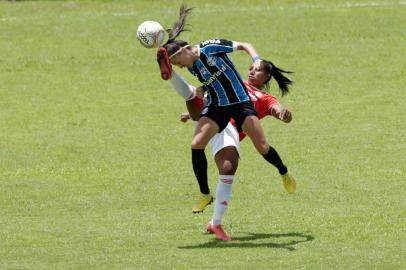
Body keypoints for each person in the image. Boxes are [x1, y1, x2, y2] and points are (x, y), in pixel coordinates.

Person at [157, 4, 296, 240]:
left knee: (262, 147)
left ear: (186, 51)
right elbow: (206, 87)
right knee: (196, 144)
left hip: (240, 104)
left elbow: (242, 45)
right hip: (218, 107)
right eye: (176, 66)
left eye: (178, 62)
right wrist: (192, 113)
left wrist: (256, 58)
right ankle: (204, 193)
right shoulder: (192, 66)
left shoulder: (211, 48)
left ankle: (283, 172)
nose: (181, 66)